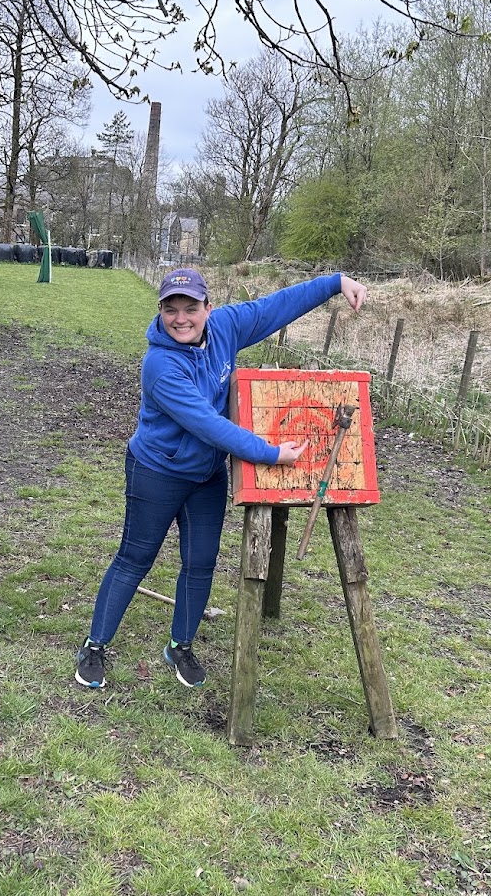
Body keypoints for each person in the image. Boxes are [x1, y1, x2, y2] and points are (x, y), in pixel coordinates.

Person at [75, 267, 367, 689]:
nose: (181, 318)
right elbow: (209, 425)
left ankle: (180, 645)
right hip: (157, 471)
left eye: (190, 308)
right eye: (171, 309)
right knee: (134, 559)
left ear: (207, 309)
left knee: (200, 562)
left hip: (206, 476)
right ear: (160, 312)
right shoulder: (159, 364)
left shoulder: (226, 326)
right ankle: (95, 646)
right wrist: (270, 454)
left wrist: (335, 283)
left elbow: (274, 308)